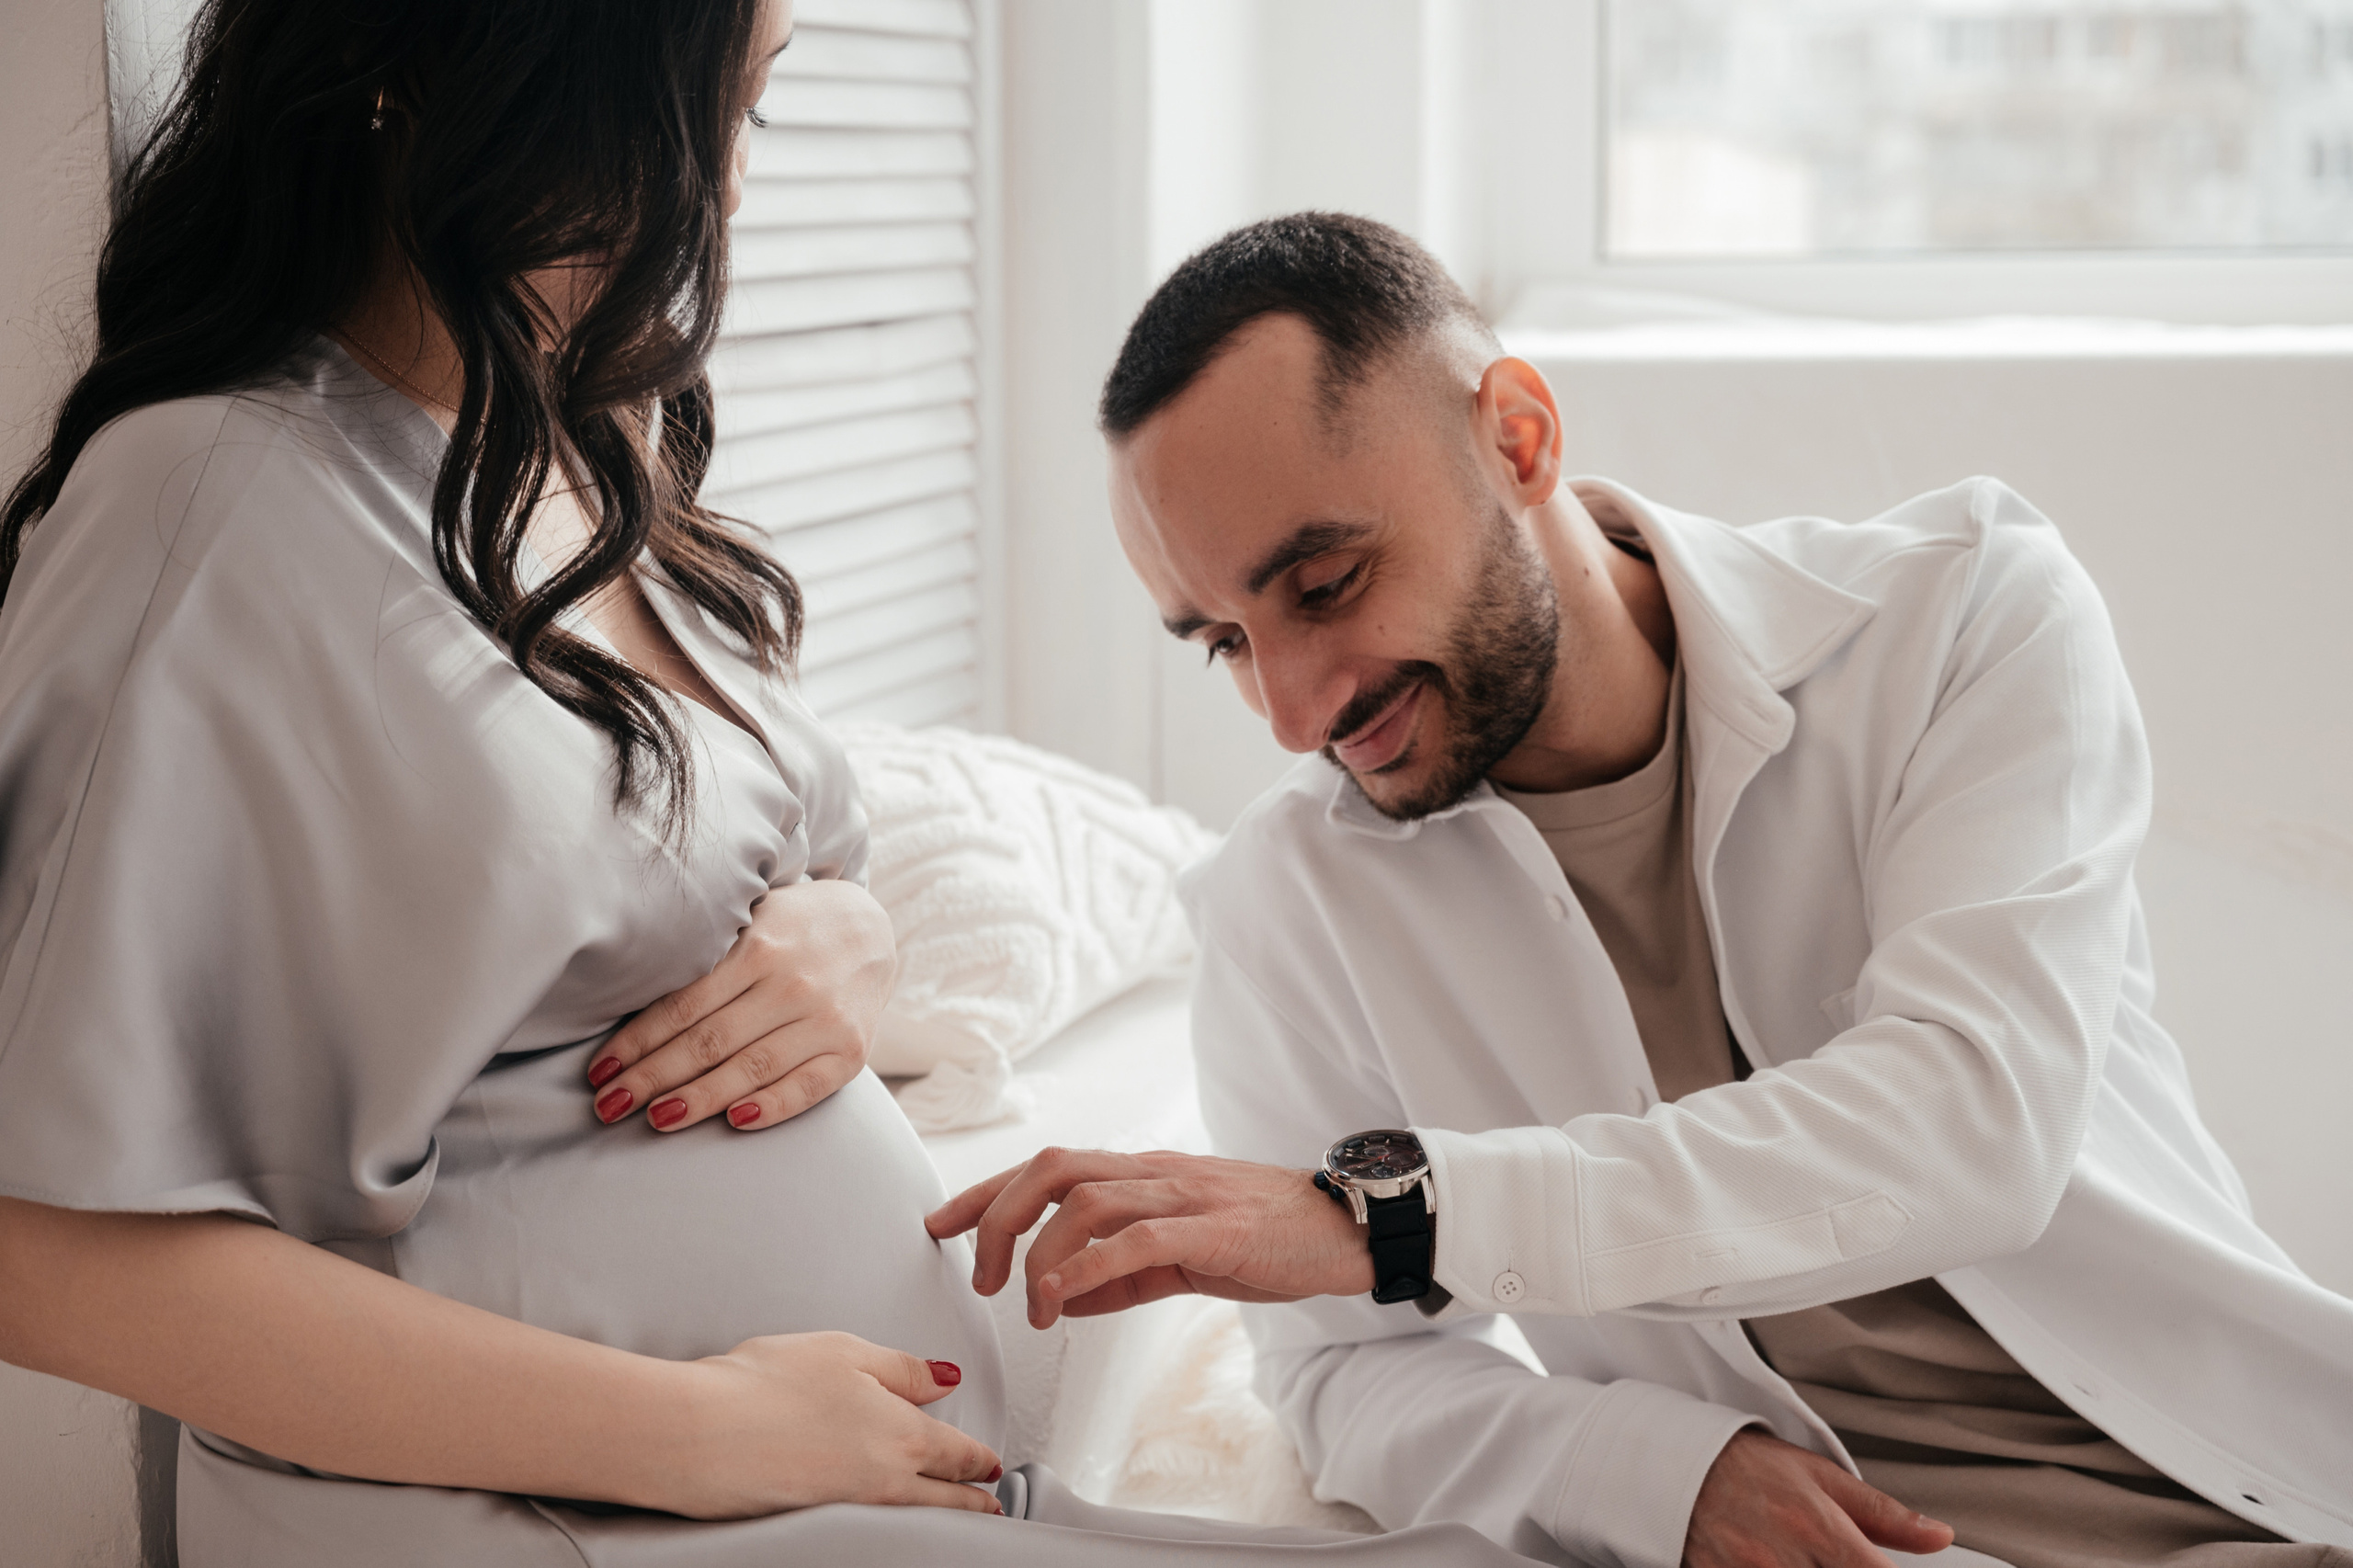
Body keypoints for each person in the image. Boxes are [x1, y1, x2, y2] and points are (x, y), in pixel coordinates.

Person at [0, 14, 1540, 1566]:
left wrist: (848, 938)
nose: (731, 175)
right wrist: (698, 1430)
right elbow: (42, 1253)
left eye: (754, 99)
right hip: (553, 1512)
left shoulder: (578, 451)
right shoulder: (205, 504)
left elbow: (622, 874)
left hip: (811, 1489)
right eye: (713, 98)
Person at [931, 213, 2353, 1568]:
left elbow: (1970, 1118)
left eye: (1325, 583)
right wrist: (1653, 1473)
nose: (1294, 713)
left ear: (1517, 438)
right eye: (1225, 643)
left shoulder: (1959, 616)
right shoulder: (1284, 901)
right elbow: (1339, 1375)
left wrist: (1397, 1214)